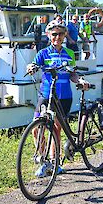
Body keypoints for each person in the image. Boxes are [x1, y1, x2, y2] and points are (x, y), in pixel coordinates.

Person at [26, 20, 90, 177]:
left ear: (65, 35)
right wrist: (31, 68)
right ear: (48, 35)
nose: (57, 37)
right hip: (46, 96)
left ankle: (55, 163)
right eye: (54, 34)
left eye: (61, 34)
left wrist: (80, 80)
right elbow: (33, 65)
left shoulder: (69, 53)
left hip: (64, 96)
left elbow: (72, 74)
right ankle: (43, 161)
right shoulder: (43, 53)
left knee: (56, 130)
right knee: (36, 129)